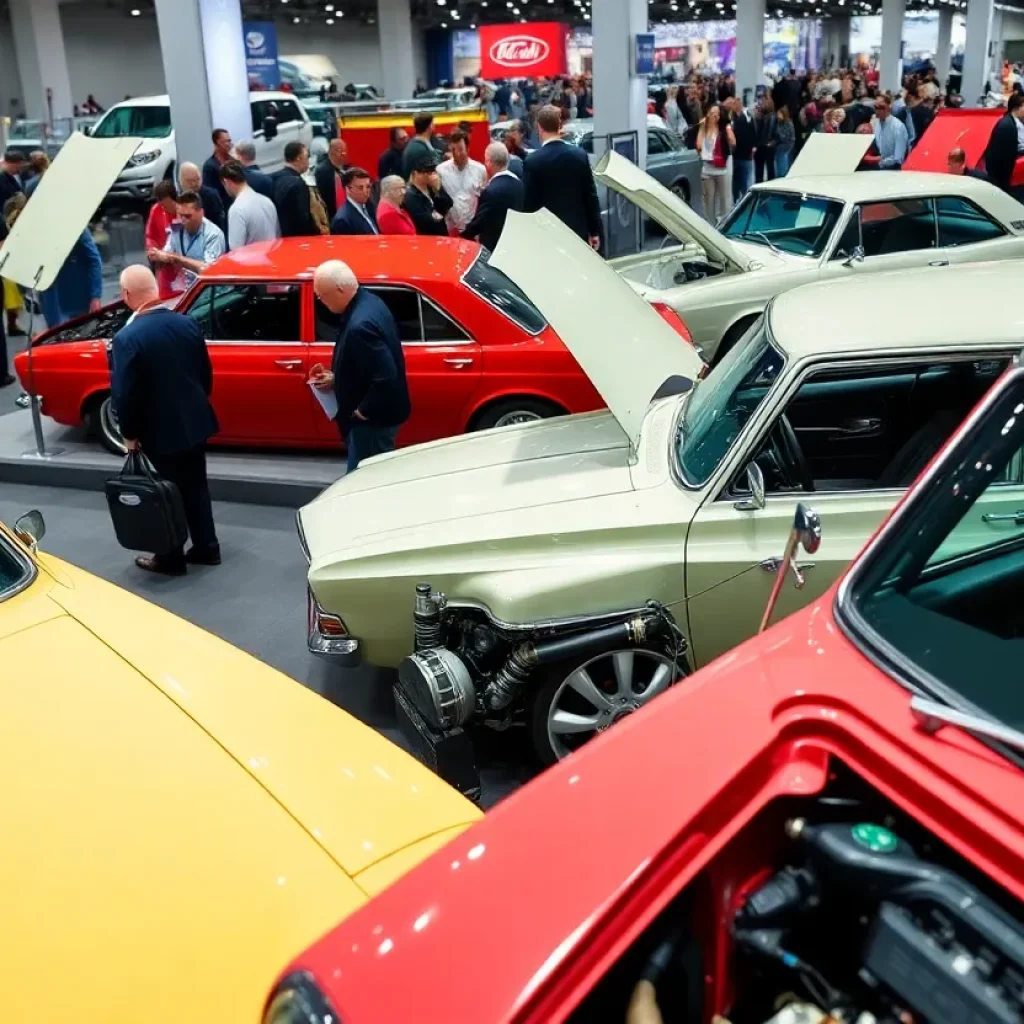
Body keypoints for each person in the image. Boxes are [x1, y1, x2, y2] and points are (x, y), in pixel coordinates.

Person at [110, 265, 220, 576]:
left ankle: (170, 558)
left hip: (158, 430)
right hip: (195, 422)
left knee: (163, 493)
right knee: (196, 486)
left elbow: (125, 394)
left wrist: (129, 433)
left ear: (127, 294)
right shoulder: (187, 323)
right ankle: (207, 547)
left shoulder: (127, 338)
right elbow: (204, 374)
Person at [309, 260, 410, 472]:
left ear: (340, 290)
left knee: (363, 477)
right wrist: (337, 379)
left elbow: (385, 375)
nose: (321, 302)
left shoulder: (359, 326)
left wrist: (362, 411)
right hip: (382, 415)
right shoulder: (371, 302)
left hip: (372, 422)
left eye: (321, 296)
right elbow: (368, 367)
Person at [523, 105, 601, 249]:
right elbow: (590, 196)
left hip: (549, 237)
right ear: (560, 125)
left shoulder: (532, 161)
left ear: (539, 127)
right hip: (577, 232)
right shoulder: (579, 155)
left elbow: (530, 204)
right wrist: (594, 231)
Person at [149, 191, 226, 294]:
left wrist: (178, 259)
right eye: (181, 215)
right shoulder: (176, 229)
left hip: (210, 291)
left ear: (201, 213)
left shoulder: (213, 234)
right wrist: (158, 255)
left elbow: (208, 270)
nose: (183, 220)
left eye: (188, 216)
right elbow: (167, 253)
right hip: (185, 289)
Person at [462, 143, 524, 252]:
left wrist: (463, 235)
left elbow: (480, 221)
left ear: (489, 162)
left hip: (493, 248)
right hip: (514, 244)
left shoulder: (491, 191)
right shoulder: (519, 185)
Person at [221, 160, 280, 249]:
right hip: (271, 255)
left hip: (252, 257)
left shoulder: (236, 210)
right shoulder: (267, 201)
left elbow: (236, 249)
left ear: (226, 182)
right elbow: (277, 235)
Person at [437, 129, 486, 234]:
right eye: (453, 150)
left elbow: (484, 199)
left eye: (460, 149)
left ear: (468, 149)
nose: (457, 153)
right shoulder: (441, 171)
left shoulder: (480, 170)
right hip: (449, 229)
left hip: (472, 229)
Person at [273, 141, 321, 237]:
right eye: (307, 156)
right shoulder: (299, 184)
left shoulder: (274, 178)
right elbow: (304, 218)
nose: (308, 160)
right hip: (297, 238)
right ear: (299, 158)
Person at [698, 104, 734, 221]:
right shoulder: (704, 128)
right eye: (712, 113)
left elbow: (733, 142)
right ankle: (710, 224)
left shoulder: (723, 128)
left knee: (724, 200)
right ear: (708, 114)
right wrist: (702, 127)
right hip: (707, 170)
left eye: (717, 114)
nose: (714, 116)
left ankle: (723, 223)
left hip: (721, 170)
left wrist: (727, 128)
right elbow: (698, 146)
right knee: (708, 201)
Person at [145, 180, 181, 299]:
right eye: (161, 205)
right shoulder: (156, 209)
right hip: (163, 265)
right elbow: (150, 236)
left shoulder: (184, 212)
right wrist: (152, 250)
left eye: (166, 205)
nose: (163, 208)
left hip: (182, 266)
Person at [982, 93, 1024, 194]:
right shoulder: (1006, 126)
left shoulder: (1013, 123)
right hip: (1001, 177)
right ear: (1017, 107)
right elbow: (999, 155)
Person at [403, 156, 453, 235]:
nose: (430, 175)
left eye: (432, 172)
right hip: (426, 236)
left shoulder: (432, 187)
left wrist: (438, 189)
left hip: (441, 233)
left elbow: (448, 204)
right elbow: (424, 219)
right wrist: (438, 215)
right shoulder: (410, 194)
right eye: (426, 172)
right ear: (415, 173)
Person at [178, 162, 227, 236]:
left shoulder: (211, 196)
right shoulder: (176, 199)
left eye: (197, 180)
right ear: (181, 180)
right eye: (190, 181)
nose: (194, 184)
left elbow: (220, 224)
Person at [331, 167, 379, 235]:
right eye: (360, 188)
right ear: (348, 189)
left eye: (368, 187)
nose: (365, 191)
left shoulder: (370, 207)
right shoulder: (342, 220)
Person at [729, 97, 757, 203]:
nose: (733, 106)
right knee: (736, 181)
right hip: (736, 155)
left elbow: (752, 134)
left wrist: (752, 147)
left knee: (744, 181)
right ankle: (737, 200)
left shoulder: (746, 117)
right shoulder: (734, 117)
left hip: (744, 155)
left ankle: (746, 201)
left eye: (735, 104)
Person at [315, 137, 349, 224]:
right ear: (332, 151)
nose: (344, 154)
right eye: (340, 150)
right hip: (331, 216)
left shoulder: (345, 168)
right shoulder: (323, 171)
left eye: (345, 150)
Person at [871, 95, 909, 169]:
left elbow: (898, 158)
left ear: (889, 107)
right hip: (878, 167)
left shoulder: (898, 127)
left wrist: (881, 162)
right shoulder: (875, 124)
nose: (878, 111)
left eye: (881, 107)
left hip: (893, 169)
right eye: (876, 107)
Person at [202, 128, 234, 211]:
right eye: (227, 141)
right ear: (217, 142)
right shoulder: (210, 166)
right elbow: (210, 193)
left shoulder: (234, 161)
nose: (230, 144)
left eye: (230, 141)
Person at [403, 113, 437, 179]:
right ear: (429, 127)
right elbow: (429, 174)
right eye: (433, 123)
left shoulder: (420, 144)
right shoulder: (419, 150)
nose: (434, 125)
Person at [753, 97, 777, 182]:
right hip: (760, 145)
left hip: (768, 145)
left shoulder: (773, 117)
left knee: (770, 169)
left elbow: (775, 131)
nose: (762, 104)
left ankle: (770, 184)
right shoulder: (758, 116)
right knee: (759, 169)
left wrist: (773, 141)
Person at [774, 106, 795, 177]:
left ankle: (782, 174)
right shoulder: (779, 123)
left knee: (782, 156)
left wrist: (779, 137)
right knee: (779, 156)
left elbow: (787, 136)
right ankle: (780, 173)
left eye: (779, 114)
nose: (778, 116)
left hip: (787, 143)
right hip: (781, 143)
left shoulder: (788, 123)